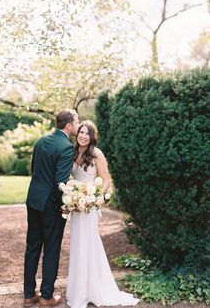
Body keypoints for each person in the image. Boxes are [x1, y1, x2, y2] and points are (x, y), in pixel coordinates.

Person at [66, 120, 140, 308]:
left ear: (92, 136)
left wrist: (95, 198)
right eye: (81, 132)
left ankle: (94, 289)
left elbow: (106, 181)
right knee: (77, 245)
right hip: (76, 207)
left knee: (89, 244)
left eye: (86, 133)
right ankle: (79, 291)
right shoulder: (73, 152)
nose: (83, 136)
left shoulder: (96, 153)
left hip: (89, 207)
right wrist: (72, 195)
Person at [23, 109, 79, 308]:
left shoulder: (41, 141)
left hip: (33, 200)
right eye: (77, 122)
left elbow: (34, 170)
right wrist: (63, 207)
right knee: (52, 248)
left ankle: (29, 295)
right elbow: (60, 182)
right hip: (51, 205)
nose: (79, 125)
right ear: (69, 126)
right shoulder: (67, 147)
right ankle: (46, 296)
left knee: (32, 247)